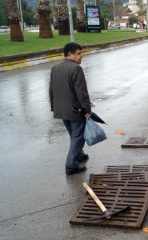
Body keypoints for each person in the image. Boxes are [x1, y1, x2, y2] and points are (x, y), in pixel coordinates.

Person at [49, 42, 92, 175]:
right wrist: (87, 109)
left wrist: (53, 106)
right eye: (78, 53)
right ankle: (71, 165)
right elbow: (82, 92)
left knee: (74, 135)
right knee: (78, 137)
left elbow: (51, 90)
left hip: (61, 110)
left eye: (81, 53)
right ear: (70, 54)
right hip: (75, 110)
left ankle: (79, 155)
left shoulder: (55, 68)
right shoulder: (76, 69)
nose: (81, 56)